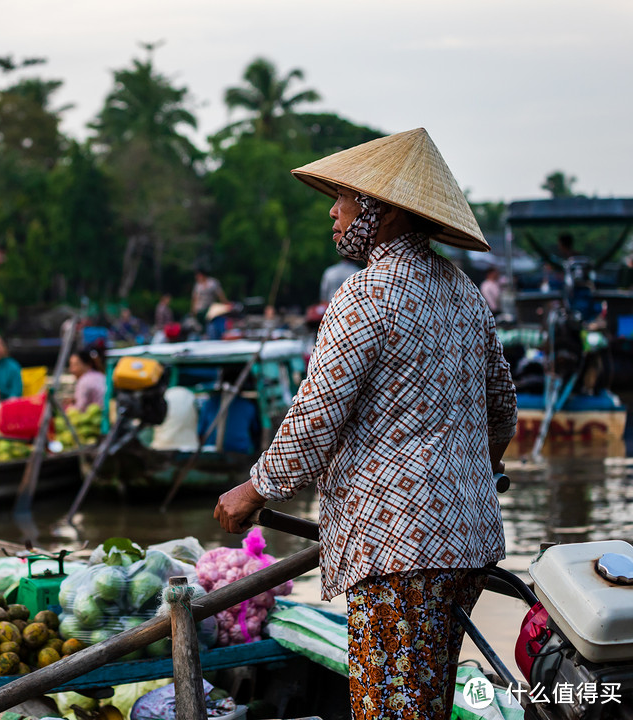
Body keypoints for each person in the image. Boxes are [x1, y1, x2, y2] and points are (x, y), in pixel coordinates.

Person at [213, 128, 517, 720]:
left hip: (399, 551)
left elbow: (316, 413)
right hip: (467, 543)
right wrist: (480, 471)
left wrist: (255, 489)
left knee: (391, 709)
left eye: (345, 200)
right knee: (424, 702)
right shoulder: (464, 292)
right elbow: (501, 409)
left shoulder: (366, 294)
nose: (334, 212)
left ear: (382, 214)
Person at [68, 347, 106, 411]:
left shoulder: (84, 381)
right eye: (71, 365)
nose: (71, 369)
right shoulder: (101, 375)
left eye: (75, 365)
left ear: (87, 364)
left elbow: (80, 408)